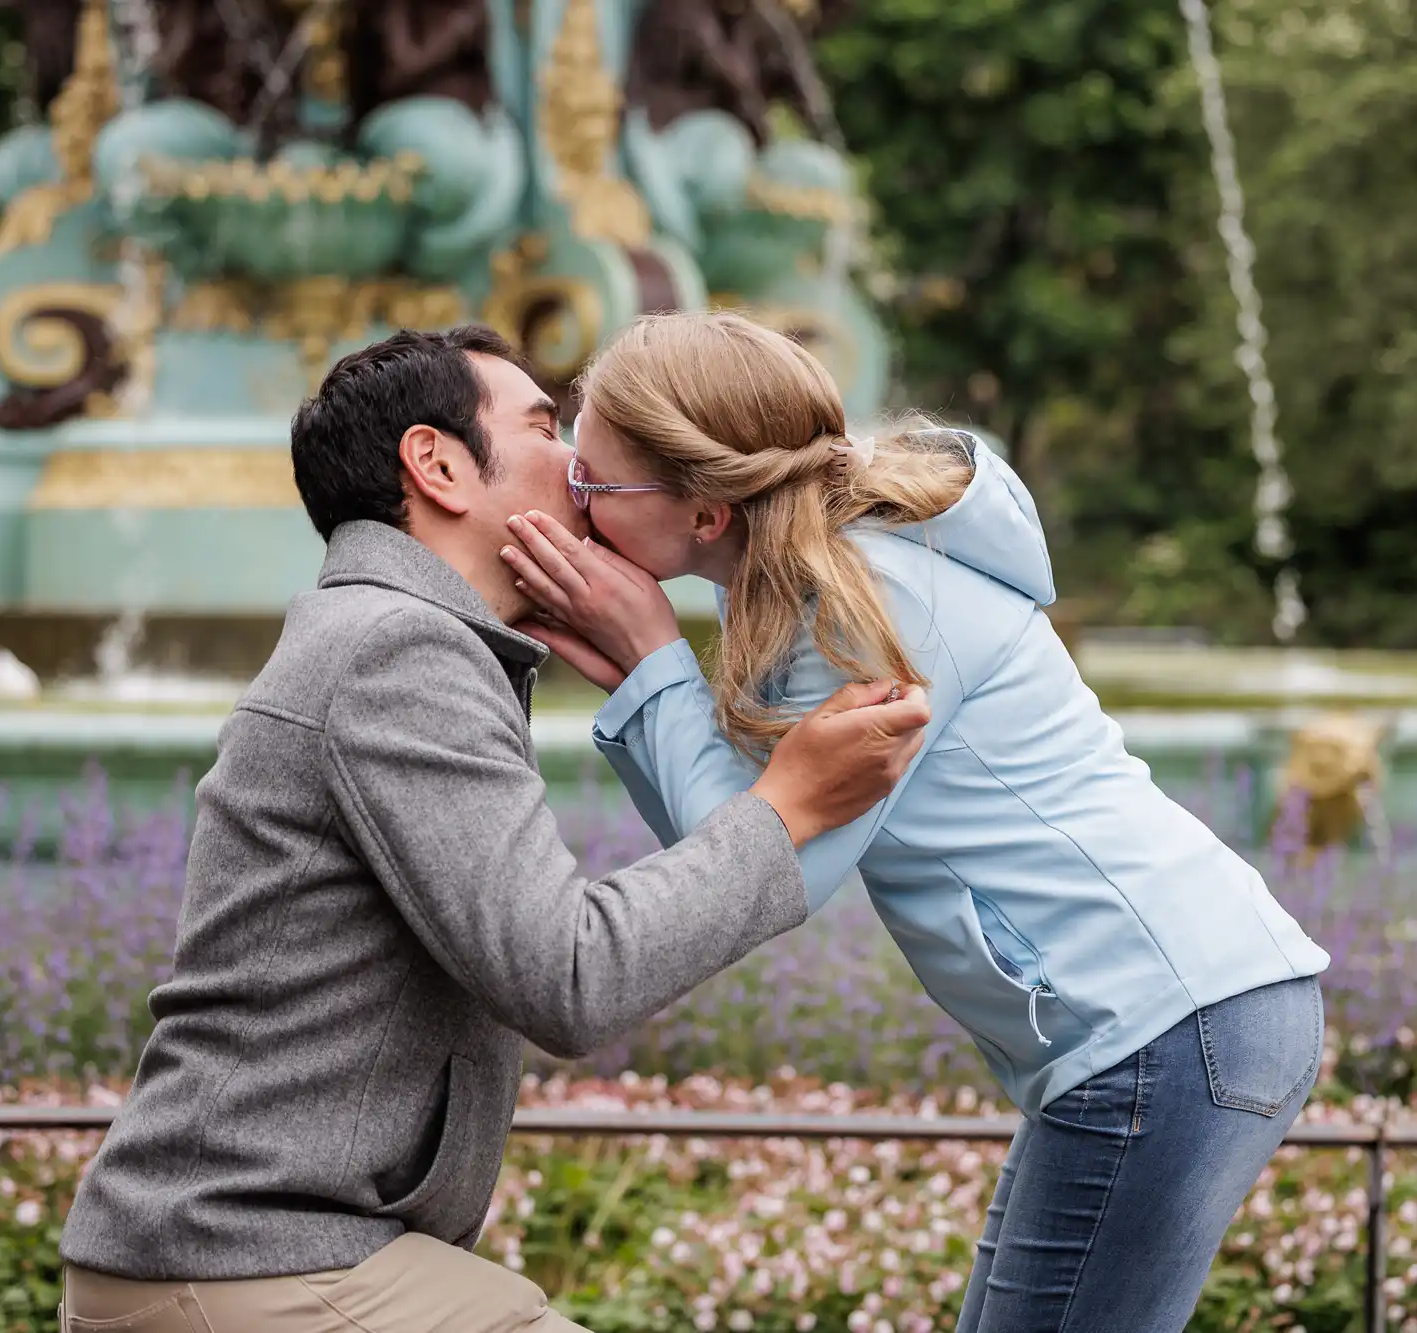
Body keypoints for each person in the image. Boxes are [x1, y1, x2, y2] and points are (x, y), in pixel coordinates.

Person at [55, 325, 932, 1333]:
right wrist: (788, 807)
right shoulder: (396, 653)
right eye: (545, 428)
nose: (585, 464)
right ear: (436, 466)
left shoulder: (391, 638)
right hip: (251, 1268)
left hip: (269, 1258)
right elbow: (569, 974)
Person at [499, 311, 1333, 1333]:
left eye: (593, 484)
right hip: (1173, 1021)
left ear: (706, 510)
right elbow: (738, 853)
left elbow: (772, 871)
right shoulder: (825, 576)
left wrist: (652, 661)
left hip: (1162, 1032)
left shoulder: (860, 602)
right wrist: (647, 671)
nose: (570, 506)